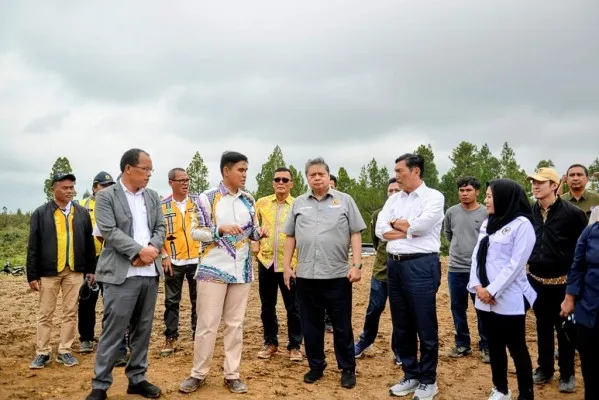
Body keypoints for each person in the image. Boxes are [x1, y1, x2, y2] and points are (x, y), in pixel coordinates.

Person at [179, 151, 267, 395]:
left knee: (235, 324)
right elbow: (195, 232)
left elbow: (253, 232)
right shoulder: (207, 198)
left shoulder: (249, 199)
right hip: (213, 269)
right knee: (207, 324)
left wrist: (261, 233)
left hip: (242, 271)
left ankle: (232, 374)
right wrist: (219, 230)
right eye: (241, 170)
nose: (245, 175)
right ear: (226, 171)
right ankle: (198, 373)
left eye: (246, 170)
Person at [86, 149, 166, 400]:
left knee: (143, 329)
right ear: (128, 168)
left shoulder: (152, 196)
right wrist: (138, 251)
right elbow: (108, 230)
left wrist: (152, 248)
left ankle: (137, 378)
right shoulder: (107, 196)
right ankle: (100, 385)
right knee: (114, 329)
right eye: (145, 169)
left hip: (149, 273)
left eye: (151, 170)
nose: (149, 174)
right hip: (121, 274)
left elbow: (161, 226)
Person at [283, 157, 366, 390]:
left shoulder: (345, 201)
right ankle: (316, 366)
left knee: (341, 325)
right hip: (306, 276)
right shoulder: (299, 203)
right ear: (307, 178)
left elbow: (356, 234)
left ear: (329, 177)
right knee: (311, 326)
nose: (317, 178)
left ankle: (347, 368)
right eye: (312, 174)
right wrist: (287, 266)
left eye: (321, 174)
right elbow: (290, 236)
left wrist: (357, 265)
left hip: (338, 275)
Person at [376, 153, 444, 399]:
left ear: (415, 171)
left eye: (400, 171)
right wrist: (405, 228)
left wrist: (405, 227)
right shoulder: (394, 199)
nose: (396, 176)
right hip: (394, 267)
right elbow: (380, 230)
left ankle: (428, 380)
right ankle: (411, 374)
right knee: (401, 324)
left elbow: (423, 227)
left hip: (421, 266)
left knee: (424, 324)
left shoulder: (433, 197)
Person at [468, 179, 536, 400]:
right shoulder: (489, 222)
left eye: (489, 196)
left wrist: (492, 290)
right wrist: (477, 286)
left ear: (504, 198)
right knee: (494, 345)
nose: (486, 200)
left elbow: (516, 264)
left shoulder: (522, 225)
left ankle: (525, 393)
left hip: (508, 297)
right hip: (483, 296)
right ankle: (501, 389)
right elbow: (477, 255)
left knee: (516, 347)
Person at [526, 168, 587, 393]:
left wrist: (577, 283)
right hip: (536, 281)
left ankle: (568, 372)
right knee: (542, 326)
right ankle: (545, 368)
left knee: (566, 328)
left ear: (554, 185)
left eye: (541, 182)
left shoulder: (572, 214)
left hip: (564, 282)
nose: (535, 186)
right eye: (533, 182)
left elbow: (583, 250)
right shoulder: (528, 212)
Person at [27, 172, 96, 369]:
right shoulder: (41, 213)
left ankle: (65, 350)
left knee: (70, 312)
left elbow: (89, 243)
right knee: (45, 313)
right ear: (53, 189)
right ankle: (42, 352)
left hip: (74, 271)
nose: (69, 191)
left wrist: (91, 269)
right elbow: (33, 246)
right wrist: (32, 274)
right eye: (65, 188)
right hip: (49, 272)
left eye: (71, 187)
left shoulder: (81, 213)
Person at [254, 167, 303, 362]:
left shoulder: (298, 205)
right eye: (277, 179)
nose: (281, 183)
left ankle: (295, 345)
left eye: (285, 180)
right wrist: (255, 242)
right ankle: (270, 342)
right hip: (266, 261)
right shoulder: (262, 203)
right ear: (273, 182)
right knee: (267, 305)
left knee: (294, 307)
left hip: (289, 264)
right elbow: (253, 227)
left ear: (291, 183)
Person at [354, 178, 402, 365]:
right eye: (390, 191)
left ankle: (399, 349)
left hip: (403, 274)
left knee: (400, 314)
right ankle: (365, 341)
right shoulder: (378, 215)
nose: (393, 194)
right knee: (374, 309)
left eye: (397, 190)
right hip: (381, 272)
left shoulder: (411, 214)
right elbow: (376, 243)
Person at [443, 176, 490, 362]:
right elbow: (448, 233)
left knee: (482, 308)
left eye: (468, 190)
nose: (464, 194)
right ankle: (462, 343)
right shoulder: (452, 212)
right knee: (457, 307)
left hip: (479, 270)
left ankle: (486, 345)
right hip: (456, 269)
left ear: (477, 192)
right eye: (461, 190)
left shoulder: (486, 213)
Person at [159, 168, 200, 357]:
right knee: (171, 301)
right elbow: (157, 233)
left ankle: (198, 336)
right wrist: (164, 255)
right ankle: (171, 337)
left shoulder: (198, 203)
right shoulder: (162, 206)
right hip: (173, 260)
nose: (185, 183)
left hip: (197, 259)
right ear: (171, 183)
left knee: (198, 301)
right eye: (181, 180)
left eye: (187, 180)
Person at [77, 172, 116, 354]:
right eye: (103, 186)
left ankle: (109, 339)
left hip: (109, 259)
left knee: (110, 300)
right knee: (87, 300)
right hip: (90, 260)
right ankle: (86, 338)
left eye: (110, 186)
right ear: (94, 188)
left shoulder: (115, 205)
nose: (106, 189)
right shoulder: (83, 207)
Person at [561, 220, 599, 400]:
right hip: (589, 307)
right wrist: (569, 298)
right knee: (590, 364)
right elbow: (577, 267)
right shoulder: (591, 231)